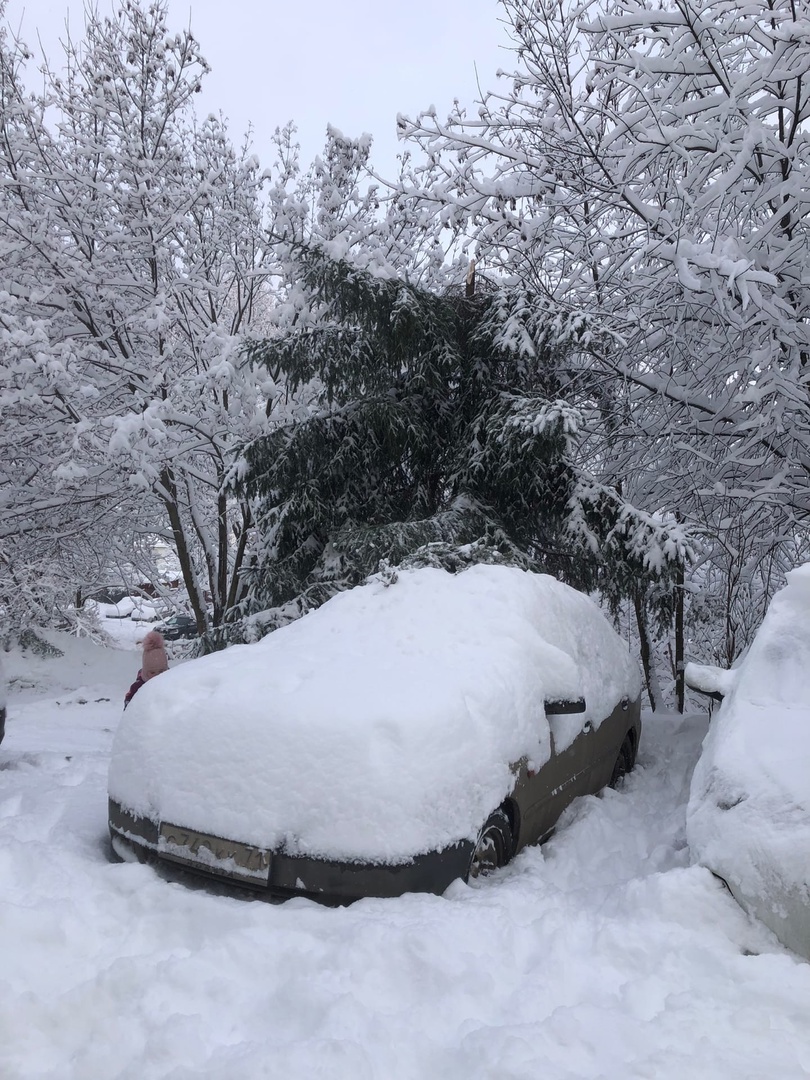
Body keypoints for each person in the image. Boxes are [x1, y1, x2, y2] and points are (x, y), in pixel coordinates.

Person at [124, 630, 169, 708]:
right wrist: (129, 706)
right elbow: (129, 698)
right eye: (152, 672)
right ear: (145, 671)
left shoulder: (170, 682)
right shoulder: (138, 686)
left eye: (161, 671)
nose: (156, 676)